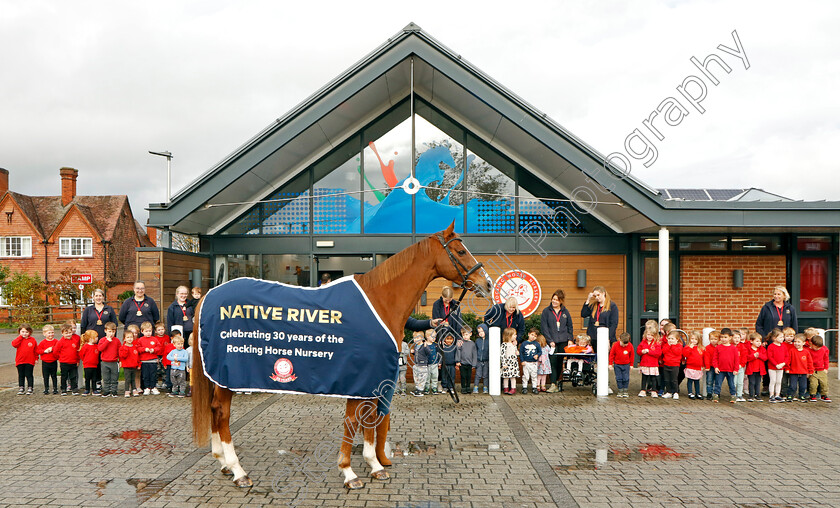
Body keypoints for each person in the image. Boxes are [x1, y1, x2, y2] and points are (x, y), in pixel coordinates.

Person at [540, 289, 573, 392]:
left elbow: (570, 326)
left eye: (557, 300)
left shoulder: (565, 312)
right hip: (552, 342)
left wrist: (570, 339)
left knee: (560, 363)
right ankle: (553, 384)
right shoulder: (546, 311)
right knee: (553, 362)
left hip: (563, 341)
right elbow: (544, 328)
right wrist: (550, 341)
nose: (554, 301)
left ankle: (558, 382)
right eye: (553, 299)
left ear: (561, 301)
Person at [580, 286, 619, 353]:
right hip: (594, 337)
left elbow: (614, 324)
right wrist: (588, 300)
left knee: (604, 358)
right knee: (595, 359)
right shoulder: (594, 305)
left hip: (605, 336)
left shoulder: (612, 306)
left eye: (598, 295)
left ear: (603, 293)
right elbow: (583, 314)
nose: (597, 298)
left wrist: (608, 338)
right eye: (595, 296)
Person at [136, 322, 163, 395]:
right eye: (146, 331)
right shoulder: (140, 340)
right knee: (145, 375)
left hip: (153, 360)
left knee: (153, 374)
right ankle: (147, 388)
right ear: (142, 331)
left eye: (150, 331)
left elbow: (159, 347)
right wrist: (144, 349)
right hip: (144, 361)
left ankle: (153, 387)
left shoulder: (154, 339)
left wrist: (154, 350)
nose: (148, 333)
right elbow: (138, 348)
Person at [713, 328, 739, 403]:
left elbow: (736, 360)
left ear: (730, 337)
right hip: (720, 369)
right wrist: (716, 367)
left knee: (731, 383)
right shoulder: (718, 347)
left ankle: (733, 395)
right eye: (721, 337)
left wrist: (736, 369)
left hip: (730, 370)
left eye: (725, 337)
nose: (723, 339)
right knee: (718, 383)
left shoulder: (733, 348)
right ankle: (716, 394)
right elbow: (715, 358)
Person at [54, 323, 80, 395]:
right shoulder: (60, 342)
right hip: (64, 362)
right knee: (64, 376)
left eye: (69, 332)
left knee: (73, 376)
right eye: (66, 333)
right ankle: (63, 389)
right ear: (62, 333)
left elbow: (77, 351)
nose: (68, 334)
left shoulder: (74, 341)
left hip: (73, 362)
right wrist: (60, 358)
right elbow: (56, 351)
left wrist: (77, 360)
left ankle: (74, 389)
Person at [97, 322, 121, 397]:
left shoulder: (117, 341)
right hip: (104, 362)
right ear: (105, 331)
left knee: (114, 378)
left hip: (114, 362)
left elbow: (120, 351)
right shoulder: (102, 340)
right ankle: (106, 390)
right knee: (106, 378)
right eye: (109, 331)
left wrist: (120, 360)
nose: (111, 334)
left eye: (113, 332)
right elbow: (100, 349)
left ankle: (114, 391)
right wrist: (107, 341)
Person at [787, 334, 814, 402]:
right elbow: (788, 360)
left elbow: (810, 363)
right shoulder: (791, 351)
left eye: (799, 342)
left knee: (803, 386)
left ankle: (801, 395)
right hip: (793, 372)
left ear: (803, 343)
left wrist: (810, 371)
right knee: (793, 385)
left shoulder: (806, 352)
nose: (796, 343)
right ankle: (790, 395)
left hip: (803, 372)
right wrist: (787, 368)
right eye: (795, 341)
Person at [12, 324, 37, 395]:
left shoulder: (32, 340)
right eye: (22, 332)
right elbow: (14, 344)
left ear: (30, 332)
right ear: (19, 332)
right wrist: (20, 337)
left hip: (30, 361)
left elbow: (35, 350)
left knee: (29, 374)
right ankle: (21, 387)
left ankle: (30, 387)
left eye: (26, 332)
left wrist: (36, 358)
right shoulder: (18, 340)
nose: (24, 334)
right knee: (21, 375)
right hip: (20, 361)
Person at [637, 329, 661, 397]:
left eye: (652, 335)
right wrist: (642, 351)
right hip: (644, 363)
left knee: (653, 378)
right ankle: (643, 390)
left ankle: (653, 390)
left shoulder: (656, 344)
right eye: (648, 335)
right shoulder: (643, 342)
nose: (650, 336)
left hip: (653, 364)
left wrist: (649, 351)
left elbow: (658, 353)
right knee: (644, 377)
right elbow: (638, 351)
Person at [608, 332, 633, 397]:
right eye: (623, 344)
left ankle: (625, 390)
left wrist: (631, 365)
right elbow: (611, 354)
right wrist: (610, 363)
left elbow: (632, 355)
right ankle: (620, 390)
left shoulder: (630, 345)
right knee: (619, 378)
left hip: (626, 365)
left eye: (626, 344)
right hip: (617, 365)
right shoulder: (615, 345)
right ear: (619, 339)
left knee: (626, 378)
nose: (624, 346)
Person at [744, 333, 767, 402]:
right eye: (757, 341)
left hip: (759, 370)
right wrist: (753, 356)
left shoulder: (762, 349)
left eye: (760, 341)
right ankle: (751, 395)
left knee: (758, 382)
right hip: (751, 369)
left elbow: (765, 358)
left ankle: (757, 394)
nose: (759, 343)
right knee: (751, 382)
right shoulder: (749, 349)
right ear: (751, 341)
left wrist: (759, 355)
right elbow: (747, 358)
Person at [37, 325, 59, 395]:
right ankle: (46, 388)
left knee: (54, 376)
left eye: (52, 332)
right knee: (45, 377)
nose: (51, 334)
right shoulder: (43, 342)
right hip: (45, 362)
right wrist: (44, 351)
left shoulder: (56, 341)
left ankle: (55, 388)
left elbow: (59, 348)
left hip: (53, 361)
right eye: (49, 333)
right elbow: (38, 350)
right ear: (44, 334)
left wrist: (52, 348)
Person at [765, 329, 786, 403]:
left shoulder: (784, 346)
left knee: (779, 381)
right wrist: (776, 364)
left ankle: (777, 394)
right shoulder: (771, 346)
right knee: (773, 381)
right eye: (780, 337)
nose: (782, 338)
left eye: (783, 337)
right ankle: (771, 395)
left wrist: (783, 363)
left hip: (781, 367)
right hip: (772, 367)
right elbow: (770, 357)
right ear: (774, 338)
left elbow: (787, 356)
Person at [807, 335, 830, 402]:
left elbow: (826, 359)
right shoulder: (808, 350)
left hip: (821, 369)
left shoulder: (824, 350)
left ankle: (824, 395)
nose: (817, 349)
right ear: (811, 344)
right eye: (816, 347)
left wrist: (826, 368)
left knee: (824, 383)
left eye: (819, 347)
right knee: (813, 383)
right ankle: (812, 394)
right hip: (812, 370)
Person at [661, 331, 683, 399]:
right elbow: (664, 351)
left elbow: (677, 353)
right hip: (666, 364)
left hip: (675, 365)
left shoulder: (679, 346)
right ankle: (669, 391)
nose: (670, 340)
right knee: (667, 379)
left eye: (672, 339)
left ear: (677, 339)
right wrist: (668, 346)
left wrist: (672, 346)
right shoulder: (666, 345)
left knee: (674, 380)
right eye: (669, 338)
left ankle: (675, 392)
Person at [682, 331, 704, 400]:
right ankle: (690, 392)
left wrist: (703, 365)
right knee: (690, 380)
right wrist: (690, 348)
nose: (693, 341)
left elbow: (703, 357)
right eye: (692, 339)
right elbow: (685, 354)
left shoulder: (701, 348)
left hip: (698, 367)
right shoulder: (687, 347)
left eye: (696, 339)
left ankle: (698, 393)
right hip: (690, 366)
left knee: (697, 381)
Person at [519, 329, 542, 394]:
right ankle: (524, 387)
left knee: (534, 375)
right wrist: (522, 361)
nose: (533, 337)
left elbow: (540, 351)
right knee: (526, 376)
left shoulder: (537, 344)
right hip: (526, 362)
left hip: (534, 363)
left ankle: (534, 387)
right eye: (532, 335)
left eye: (535, 336)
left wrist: (537, 355)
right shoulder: (524, 343)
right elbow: (521, 353)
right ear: (528, 334)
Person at [119, 330, 140, 397]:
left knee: (133, 379)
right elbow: (122, 356)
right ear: (124, 339)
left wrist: (138, 364)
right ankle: (127, 390)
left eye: (131, 337)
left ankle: (134, 389)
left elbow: (137, 356)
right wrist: (126, 349)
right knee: (128, 379)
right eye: (128, 337)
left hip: (134, 366)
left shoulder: (134, 347)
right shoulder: (123, 347)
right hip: (127, 366)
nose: (130, 339)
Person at [79, 330, 100, 396]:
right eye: (96, 337)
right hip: (87, 365)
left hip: (94, 365)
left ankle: (94, 390)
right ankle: (87, 389)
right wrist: (85, 360)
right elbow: (81, 354)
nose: (97, 338)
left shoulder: (96, 346)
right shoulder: (85, 346)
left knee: (94, 378)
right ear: (90, 339)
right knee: (87, 378)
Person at [410, 331, 431, 397]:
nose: (415, 340)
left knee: (422, 378)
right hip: (416, 364)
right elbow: (418, 354)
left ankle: (420, 390)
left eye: (417, 338)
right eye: (414, 338)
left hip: (423, 365)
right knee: (416, 377)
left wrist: (426, 347)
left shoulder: (424, 345)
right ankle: (418, 389)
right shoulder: (416, 346)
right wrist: (413, 352)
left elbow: (429, 353)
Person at [457, 326, 476, 394]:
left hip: (470, 364)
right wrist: (458, 361)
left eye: (466, 334)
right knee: (463, 376)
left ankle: (468, 387)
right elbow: (458, 351)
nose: (465, 336)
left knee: (468, 376)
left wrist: (474, 364)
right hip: (462, 363)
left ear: (470, 334)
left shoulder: (472, 344)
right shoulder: (460, 343)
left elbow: (474, 354)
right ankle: (463, 387)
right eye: (463, 335)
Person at [500, 328, 519, 395]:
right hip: (507, 362)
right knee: (506, 376)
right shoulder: (504, 345)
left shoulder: (514, 344)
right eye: (514, 335)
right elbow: (502, 354)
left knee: (513, 376)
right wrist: (504, 363)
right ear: (509, 335)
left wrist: (517, 352)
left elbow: (515, 351)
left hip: (513, 362)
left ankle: (513, 388)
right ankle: (506, 388)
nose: (515, 336)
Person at [702, 331, 720, 400]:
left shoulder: (720, 347)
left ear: (718, 340)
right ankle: (709, 393)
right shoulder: (708, 348)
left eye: (715, 339)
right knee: (709, 380)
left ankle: (716, 393)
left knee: (718, 381)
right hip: (710, 367)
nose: (713, 341)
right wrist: (707, 366)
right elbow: (706, 358)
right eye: (712, 339)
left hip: (718, 366)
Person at [473, 324, 490, 394]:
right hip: (479, 361)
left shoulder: (489, 340)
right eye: (479, 332)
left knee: (485, 375)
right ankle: (475, 387)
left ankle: (485, 387)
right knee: (478, 375)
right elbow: (475, 350)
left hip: (486, 361)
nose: (481, 333)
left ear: (486, 331)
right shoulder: (477, 341)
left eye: (482, 331)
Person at [732, 331, 747, 402]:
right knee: (734, 382)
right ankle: (733, 394)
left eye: (738, 337)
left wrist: (741, 364)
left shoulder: (742, 347)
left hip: (740, 367)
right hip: (733, 368)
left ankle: (739, 394)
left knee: (740, 382)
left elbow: (744, 357)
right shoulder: (731, 347)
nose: (737, 339)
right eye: (735, 337)